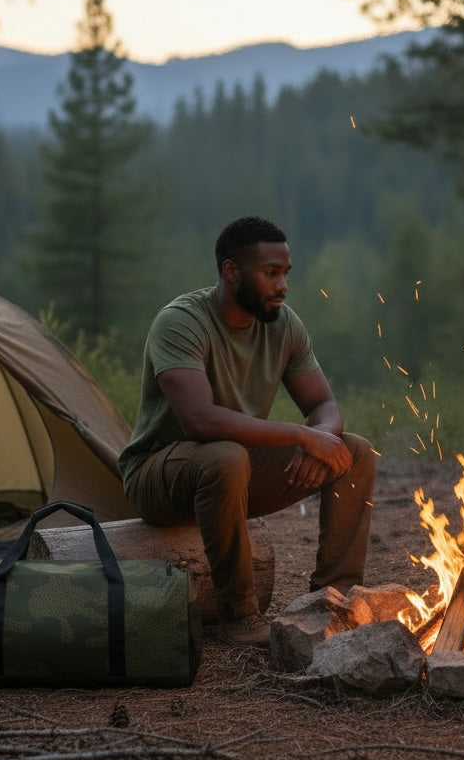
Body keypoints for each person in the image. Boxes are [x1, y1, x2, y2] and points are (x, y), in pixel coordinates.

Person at [118, 216, 376, 648]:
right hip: (160, 474)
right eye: (270, 273)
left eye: (285, 273)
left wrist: (319, 442)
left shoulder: (284, 325)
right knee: (226, 456)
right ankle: (238, 614)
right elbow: (199, 420)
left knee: (354, 453)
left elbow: (324, 406)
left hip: (235, 468)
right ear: (231, 271)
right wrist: (300, 436)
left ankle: (334, 598)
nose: (282, 285)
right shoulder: (181, 322)